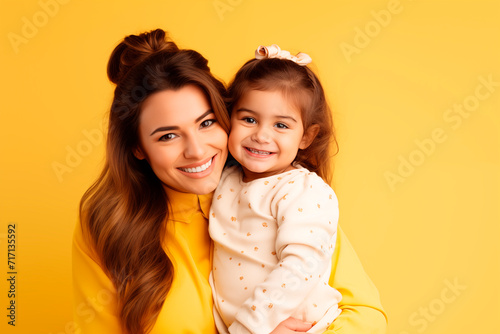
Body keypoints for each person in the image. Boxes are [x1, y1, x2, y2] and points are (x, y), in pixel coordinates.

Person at [72, 29, 387, 334]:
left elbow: (367, 317)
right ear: (137, 147)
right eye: (168, 135)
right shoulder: (109, 227)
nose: (196, 151)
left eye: (206, 123)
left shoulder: (289, 198)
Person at [210, 44, 343, 334]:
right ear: (227, 117)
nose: (261, 135)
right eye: (248, 119)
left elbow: (301, 266)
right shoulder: (224, 178)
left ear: (306, 136)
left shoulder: (302, 190)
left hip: (295, 326)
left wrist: (248, 327)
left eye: (281, 125)